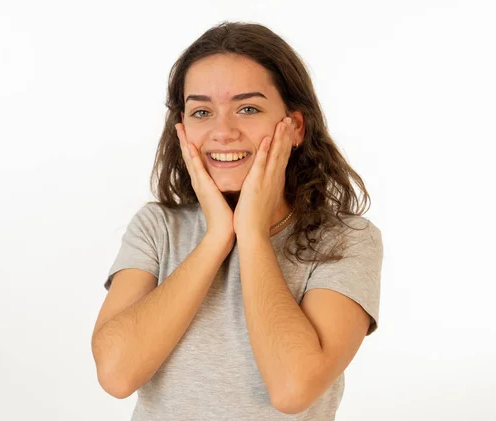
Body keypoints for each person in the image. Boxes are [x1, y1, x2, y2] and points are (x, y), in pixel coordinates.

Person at [91, 21, 384, 420]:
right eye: (201, 111)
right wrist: (216, 238)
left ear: (295, 126)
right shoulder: (157, 228)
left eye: (248, 108)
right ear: (182, 129)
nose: (222, 131)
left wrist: (252, 235)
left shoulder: (348, 240)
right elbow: (116, 375)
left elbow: (293, 389)